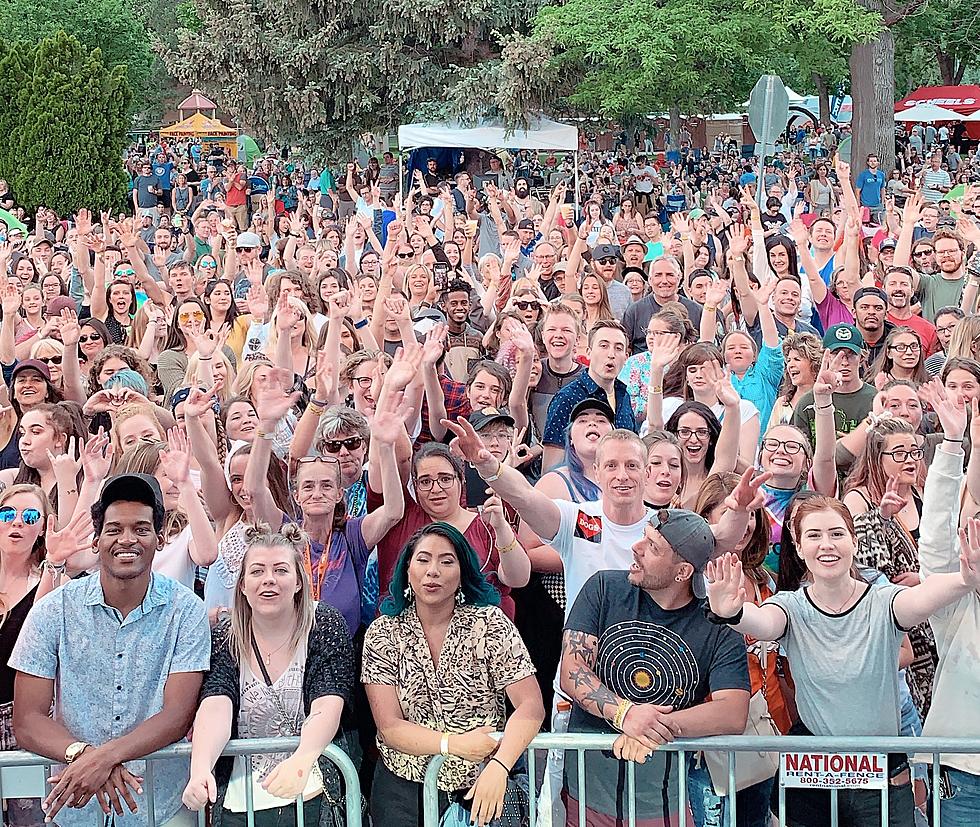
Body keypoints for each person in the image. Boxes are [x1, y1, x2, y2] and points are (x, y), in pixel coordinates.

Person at [705, 490, 980, 827]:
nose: (827, 544)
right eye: (814, 535)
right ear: (800, 548)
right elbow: (763, 622)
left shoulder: (884, 602)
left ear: (854, 542)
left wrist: (966, 579)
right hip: (812, 779)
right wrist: (732, 613)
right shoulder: (791, 606)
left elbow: (921, 596)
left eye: (836, 534)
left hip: (880, 776)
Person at [558, 481, 765, 826]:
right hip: (587, 791)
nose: (636, 548)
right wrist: (626, 714)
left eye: (652, 546)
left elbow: (733, 711)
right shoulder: (604, 587)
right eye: (643, 537)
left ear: (683, 571)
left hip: (665, 799)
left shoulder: (716, 621)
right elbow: (572, 671)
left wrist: (654, 726)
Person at [10, 473, 210, 827]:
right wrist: (84, 755)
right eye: (114, 528)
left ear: (159, 539)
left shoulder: (187, 610)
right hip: (75, 806)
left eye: (141, 528)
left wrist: (104, 759)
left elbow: (179, 713)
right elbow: (27, 720)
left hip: (160, 805)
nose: (127, 539)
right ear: (96, 540)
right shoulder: (52, 610)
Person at [362, 522, 544, 827]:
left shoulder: (490, 624)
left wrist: (500, 767)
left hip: (480, 783)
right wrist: (451, 744)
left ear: (462, 574)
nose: (433, 571)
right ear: (407, 570)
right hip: (402, 788)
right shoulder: (382, 632)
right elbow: (389, 726)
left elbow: (530, 706)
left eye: (447, 561)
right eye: (422, 560)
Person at [181, 527, 356, 827]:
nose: (269, 579)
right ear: (243, 586)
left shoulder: (324, 625)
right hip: (242, 799)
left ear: (300, 582)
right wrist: (201, 768)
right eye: (257, 571)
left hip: (309, 791)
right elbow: (216, 704)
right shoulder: (225, 637)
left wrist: (301, 760)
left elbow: (328, 704)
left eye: (280, 570)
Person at [542, 320, 634, 469]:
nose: (611, 354)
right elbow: (550, 465)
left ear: (626, 356)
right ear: (589, 352)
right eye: (604, 346)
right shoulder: (567, 398)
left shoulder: (624, 396)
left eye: (618, 348)